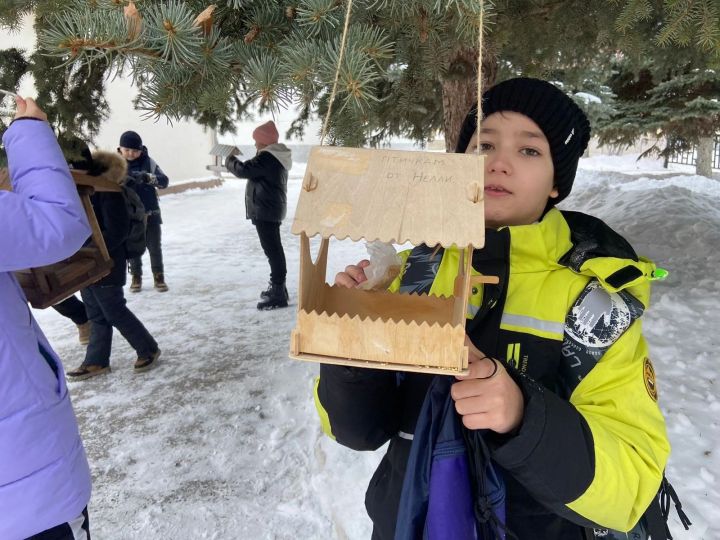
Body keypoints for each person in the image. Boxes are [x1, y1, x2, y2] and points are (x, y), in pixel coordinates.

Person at [315, 78, 671, 539]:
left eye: (529, 151)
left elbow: (633, 481)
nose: (499, 163)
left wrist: (524, 417)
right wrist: (350, 350)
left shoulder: (593, 302)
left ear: (557, 183)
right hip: (411, 522)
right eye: (483, 145)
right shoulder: (410, 276)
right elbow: (356, 432)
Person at [1, 96, 92, 539]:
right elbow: (58, 223)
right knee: (106, 307)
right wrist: (28, 133)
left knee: (107, 306)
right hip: (26, 493)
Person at [66, 146, 161, 380]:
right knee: (95, 313)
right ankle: (96, 361)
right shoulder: (76, 190)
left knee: (114, 310)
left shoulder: (107, 189)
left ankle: (148, 348)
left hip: (107, 262)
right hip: (84, 262)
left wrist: (92, 251)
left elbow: (117, 231)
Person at [225, 120, 293, 310]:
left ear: (264, 142)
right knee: (274, 250)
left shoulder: (268, 157)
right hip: (269, 209)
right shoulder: (274, 156)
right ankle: (279, 288)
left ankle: (278, 292)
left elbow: (243, 170)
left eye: (256, 141)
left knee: (273, 251)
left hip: (266, 210)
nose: (255, 144)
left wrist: (230, 159)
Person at [117, 130, 170, 292]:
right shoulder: (115, 165)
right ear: (120, 149)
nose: (131, 154)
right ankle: (136, 277)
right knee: (133, 248)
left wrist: (148, 177)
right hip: (130, 215)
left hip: (151, 213)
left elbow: (164, 181)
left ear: (141, 150)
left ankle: (158, 276)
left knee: (154, 246)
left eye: (135, 151)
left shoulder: (149, 162)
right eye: (127, 150)